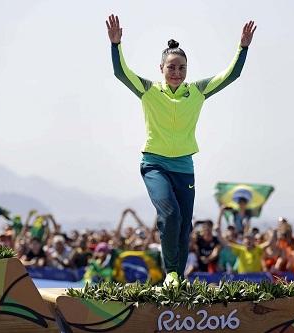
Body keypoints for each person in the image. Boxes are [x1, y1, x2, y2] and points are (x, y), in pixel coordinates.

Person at [106, 14, 256, 287]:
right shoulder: (148, 90)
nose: (176, 73)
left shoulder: (197, 91)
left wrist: (242, 48)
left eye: (181, 68)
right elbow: (121, 73)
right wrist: (116, 46)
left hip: (184, 167)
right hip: (155, 165)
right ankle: (171, 274)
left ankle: (178, 277)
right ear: (161, 68)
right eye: (171, 67)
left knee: (185, 225)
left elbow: (231, 75)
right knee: (170, 214)